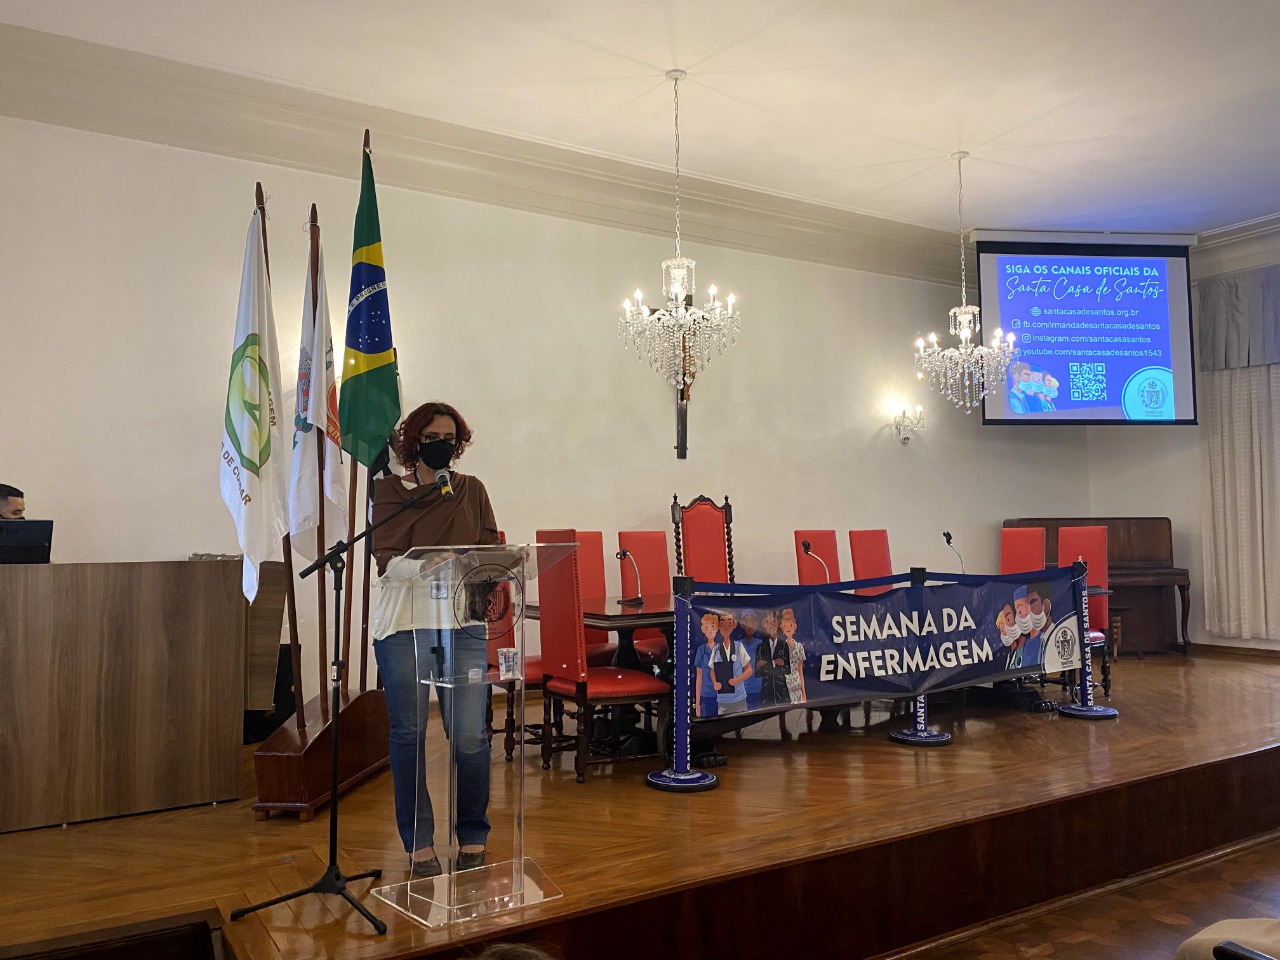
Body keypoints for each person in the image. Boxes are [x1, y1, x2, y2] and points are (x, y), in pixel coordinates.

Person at [369, 401, 500, 879]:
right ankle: (419, 842)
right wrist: (426, 563)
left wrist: (497, 565)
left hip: (461, 624)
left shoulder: (471, 490)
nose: (441, 446)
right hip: (404, 625)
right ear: (413, 443)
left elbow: (491, 549)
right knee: (410, 733)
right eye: (431, 439)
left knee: (469, 735)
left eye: (449, 438)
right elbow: (385, 561)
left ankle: (473, 832)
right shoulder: (389, 492)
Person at [711, 612, 753, 714]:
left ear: (734, 624)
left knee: (742, 723)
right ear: (718, 626)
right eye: (722, 623)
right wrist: (715, 683)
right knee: (723, 723)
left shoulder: (739, 646)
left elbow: (749, 670)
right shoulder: (716, 649)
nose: (725, 626)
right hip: (722, 699)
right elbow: (712, 669)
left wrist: (738, 679)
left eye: (729, 623)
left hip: (739, 697)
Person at [756, 609, 789, 707]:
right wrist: (775, 662)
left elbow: (787, 669)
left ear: (778, 623)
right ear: (763, 624)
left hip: (782, 691)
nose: (771, 625)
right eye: (767, 622)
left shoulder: (784, 645)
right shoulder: (760, 647)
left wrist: (765, 663)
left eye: (773, 621)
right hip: (766, 692)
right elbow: (758, 671)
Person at [735, 609, 764, 711]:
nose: (750, 625)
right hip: (742, 688)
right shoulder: (738, 644)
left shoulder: (761, 643)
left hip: (758, 687)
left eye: (752, 621)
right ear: (742, 625)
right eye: (747, 621)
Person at [693, 613, 720, 718]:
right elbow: (699, 676)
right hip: (705, 694)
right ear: (703, 629)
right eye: (707, 627)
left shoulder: (721, 649)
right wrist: (698, 702)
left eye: (712, 627)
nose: (710, 630)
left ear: (717, 629)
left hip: (720, 694)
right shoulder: (701, 650)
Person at [779, 608, 807, 704]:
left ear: (794, 626)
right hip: (785, 688)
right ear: (782, 628)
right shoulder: (780, 647)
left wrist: (804, 693)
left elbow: (800, 670)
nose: (788, 628)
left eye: (790, 625)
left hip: (797, 687)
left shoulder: (799, 647)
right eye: (785, 625)